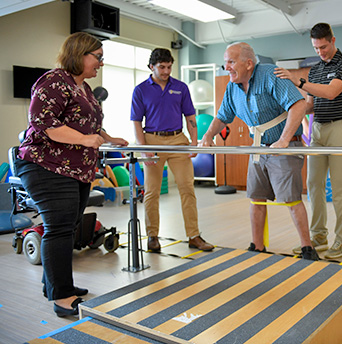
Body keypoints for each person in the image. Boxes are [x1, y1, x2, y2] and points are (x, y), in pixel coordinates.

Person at [14, 32, 128, 317]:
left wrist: (109, 138)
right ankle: (62, 297)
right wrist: (86, 140)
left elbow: (89, 126)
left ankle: (53, 285)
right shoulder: (53, 81)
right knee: (60, 227)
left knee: (69, 226)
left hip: (76, 169)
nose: (101, 63)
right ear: (80, 54)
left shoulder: (85, 89)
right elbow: (45, 124)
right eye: (98, 57)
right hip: (46, 165)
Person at [200, 42, 319, 261]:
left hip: (284, 147)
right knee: (256, 198)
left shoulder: (270, 75)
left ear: (248, 63)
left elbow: (298, 105)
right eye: (225, 62)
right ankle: (258, 245)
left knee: (291, 199)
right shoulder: (232, 86)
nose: (226, 67)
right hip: (258, 149)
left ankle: (307, 248)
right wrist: (208, 135)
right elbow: (222, 116)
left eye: (231, 62)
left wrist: (283, 140)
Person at [275, 22, 342, 259]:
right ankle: (318, 235)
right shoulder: (316, 70)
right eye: (316, 48)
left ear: (333, 40)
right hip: (318, 128)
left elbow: (331, 93)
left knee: (340, 188)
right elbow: (311, 104)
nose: (320, 52)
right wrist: (289, 112)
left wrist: (297, 81)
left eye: (323, 46)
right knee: (313, 184)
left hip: (341, 127)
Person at [131, 48, 214, 253]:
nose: (167, 71)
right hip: (152, 141)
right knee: (152, 192)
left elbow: (190, 117)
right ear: (152, 67)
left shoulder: (181, 87)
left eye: (169, 67)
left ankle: (194, 236)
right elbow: (136, 121)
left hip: (178, 140)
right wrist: (144, 149)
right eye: (162, 67)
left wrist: (193, 142)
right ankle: (152, 236)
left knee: (187, 188)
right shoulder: (141, 90)